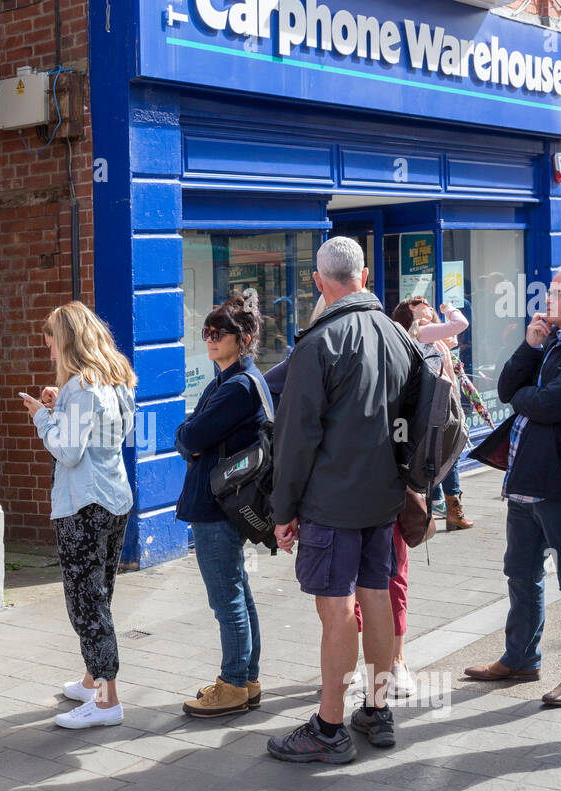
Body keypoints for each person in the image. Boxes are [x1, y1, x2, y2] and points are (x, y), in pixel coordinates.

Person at [265, 237, 416, 763]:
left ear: (316, 280)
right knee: (374, 599)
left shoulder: (318, 344)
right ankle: (376, 710)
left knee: (336, 613)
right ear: (366, 275)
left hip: (332, 502)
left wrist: (282, 513)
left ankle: (329, 729)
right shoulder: (398, 336)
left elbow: (296, 439)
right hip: (384, 498)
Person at [464, 264, 561, 707]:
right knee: (521, 575)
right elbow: (508, 385)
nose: (548, 298)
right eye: (550, 290)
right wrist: (530, 347)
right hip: (524, 481)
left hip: (560, 484)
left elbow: (548, 404)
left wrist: (524, 397)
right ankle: (520, 659)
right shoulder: (549, 340)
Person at [23, 302, 136, 729]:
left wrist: (41, 417)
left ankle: (106, 701)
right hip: (114, 499)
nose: (48, 348)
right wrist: (59, 409)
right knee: (99, 596)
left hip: (82, 505)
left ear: (67, 339)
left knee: (86, 605)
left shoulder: (80, 387)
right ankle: (92, 681)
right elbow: (114, 435)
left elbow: (68, 452)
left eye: (51, 338)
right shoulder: (114, 379)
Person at [173, 293, 272, 718]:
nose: (210, 339)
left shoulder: (235, 387)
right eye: (206, 332)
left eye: (219, 333)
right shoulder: (232, 380)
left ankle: (233, 684)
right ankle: (246, 679)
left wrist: (189, 437)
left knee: (227, 598)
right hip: (222, 501)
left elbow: (191, 437)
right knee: (238, 593)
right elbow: (190, 433)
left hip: (216, 506)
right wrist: (189, 435)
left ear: (243, 338)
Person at [394, 297, 475, 531]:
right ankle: (453, 509)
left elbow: (451, 339)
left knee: (439, 451)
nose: (428, 304)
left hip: (437, 401)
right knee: (450, 452)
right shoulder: (421, 331)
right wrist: (449, 308)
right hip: (439, 403)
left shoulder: (425, 333)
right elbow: (460, 324)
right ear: (411, 311)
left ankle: (440, 503)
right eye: (421, 302)